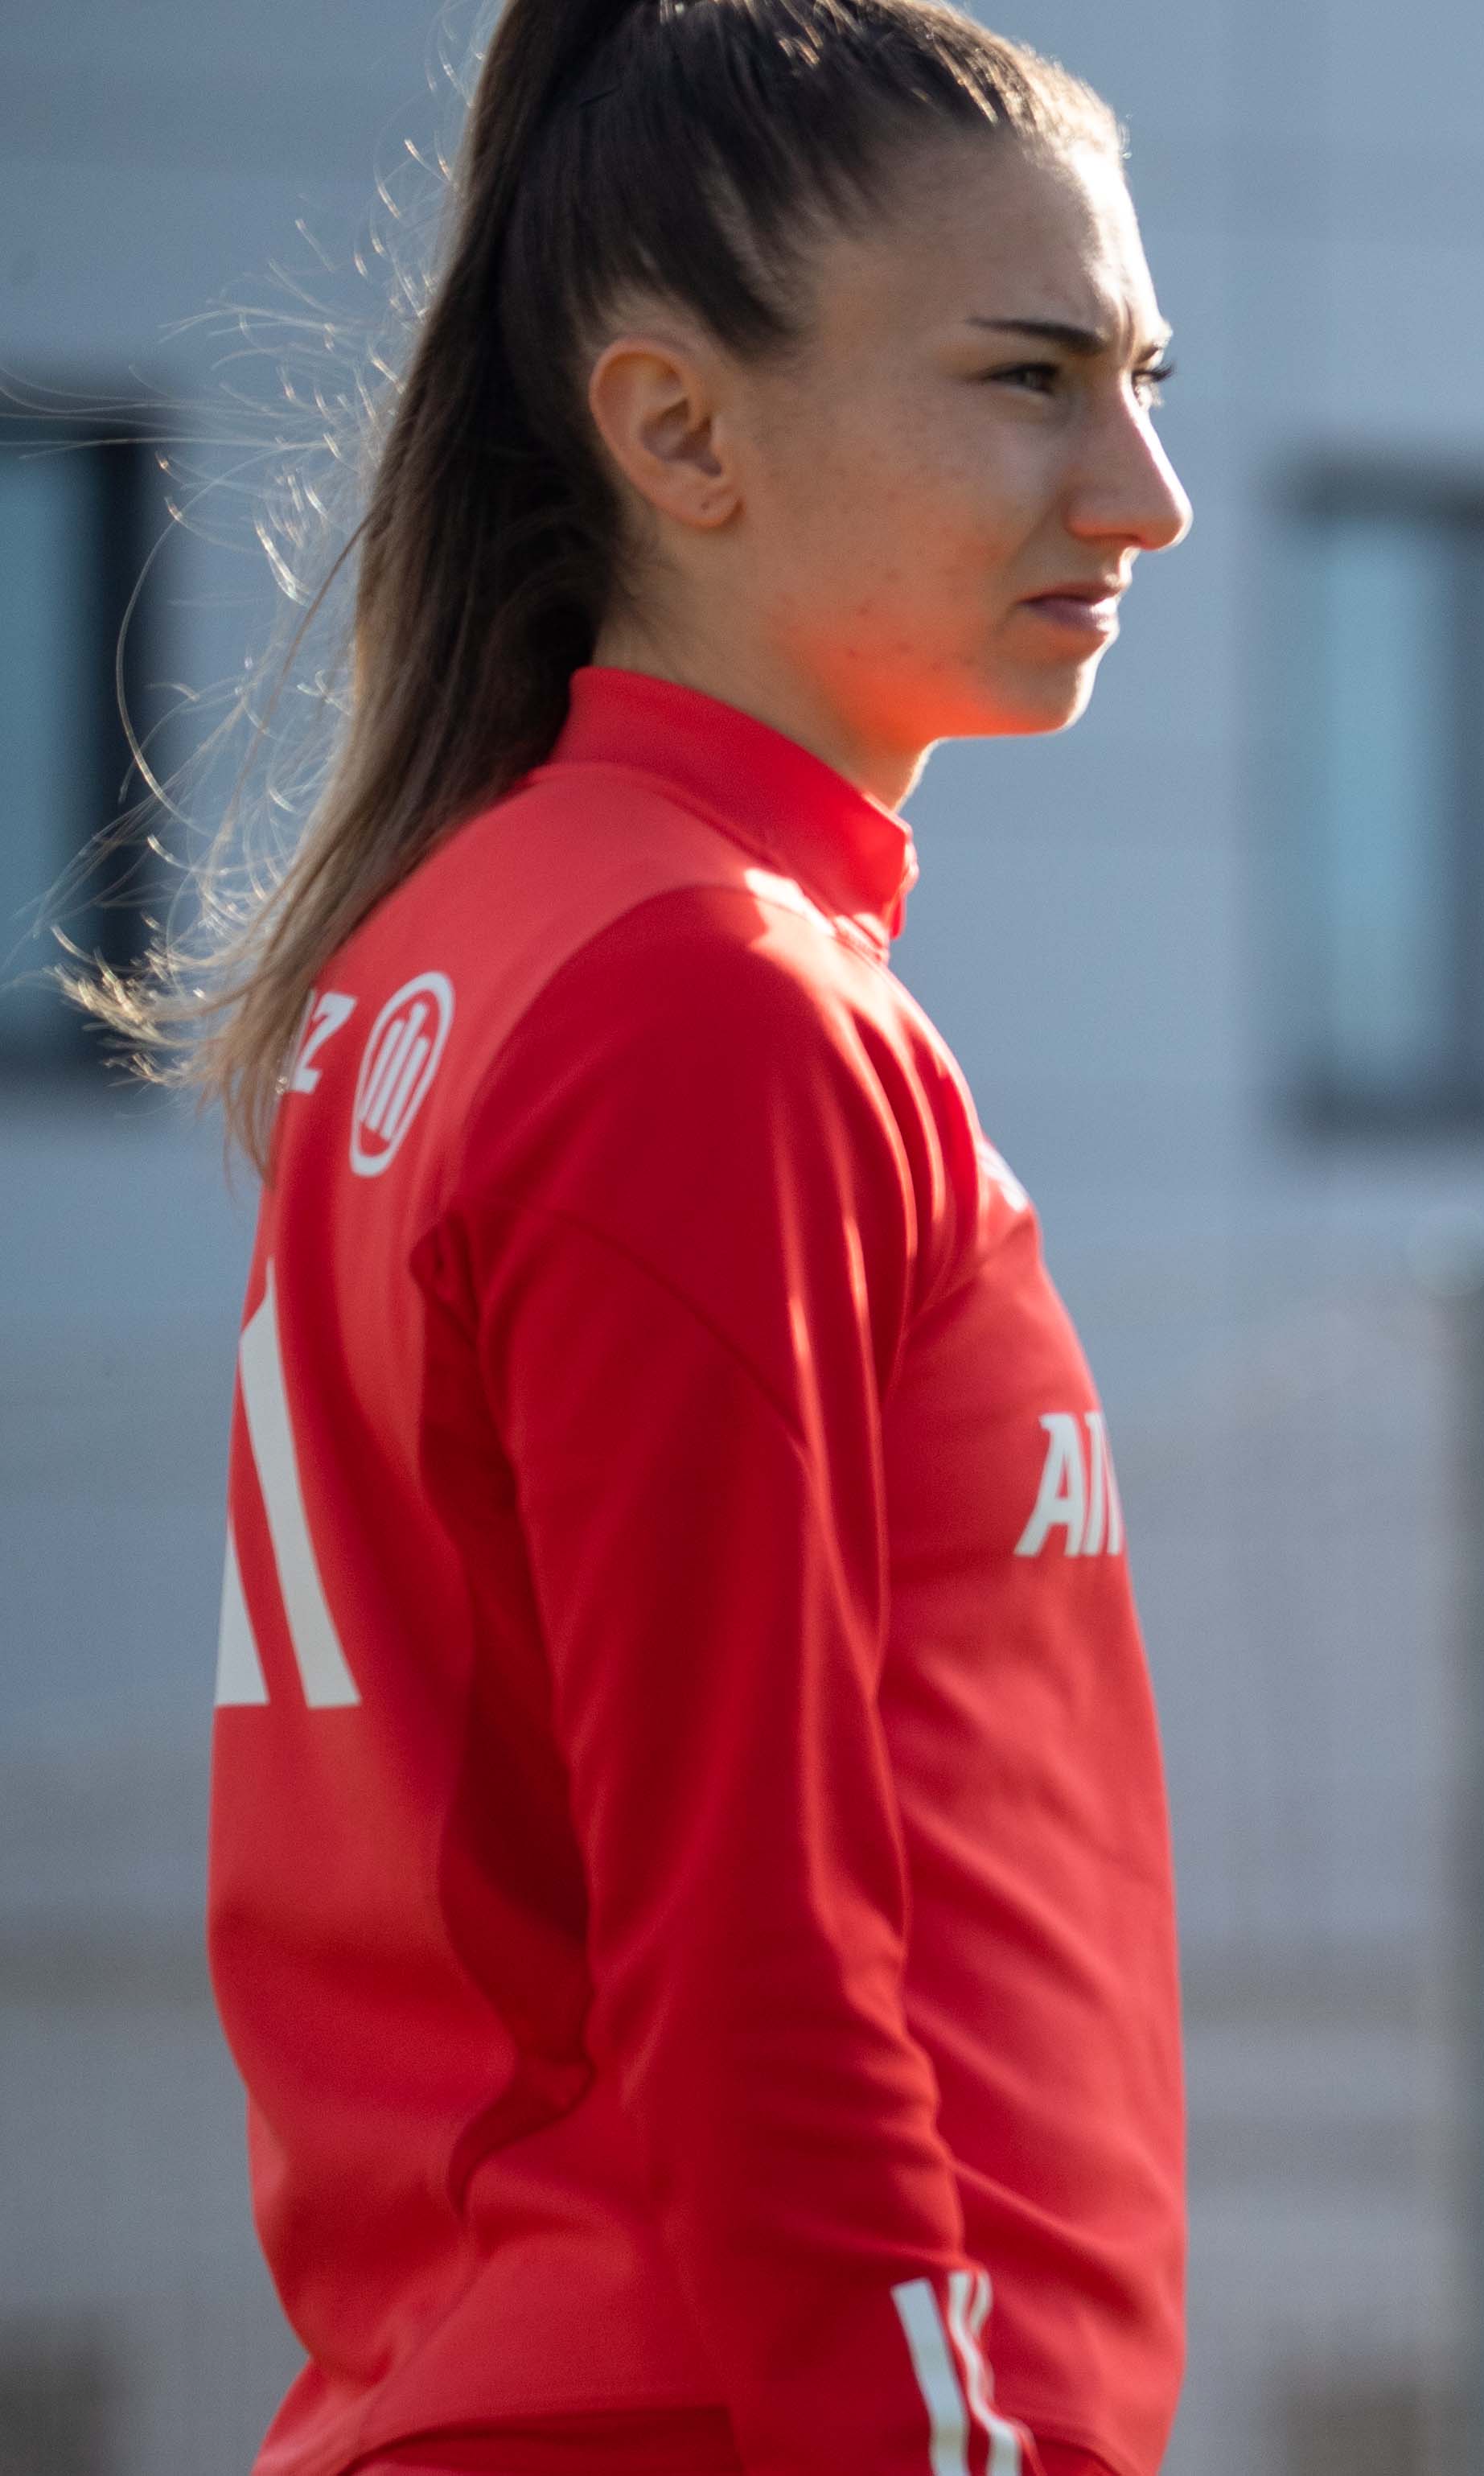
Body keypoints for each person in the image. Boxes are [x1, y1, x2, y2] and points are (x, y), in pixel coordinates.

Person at [109, 3, 1194, 2470]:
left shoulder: (471, 952)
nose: (1143, 492)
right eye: (1033, 381)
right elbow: (756, 1942)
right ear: (676, 429)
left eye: (1147, 374)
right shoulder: (702, 1003)